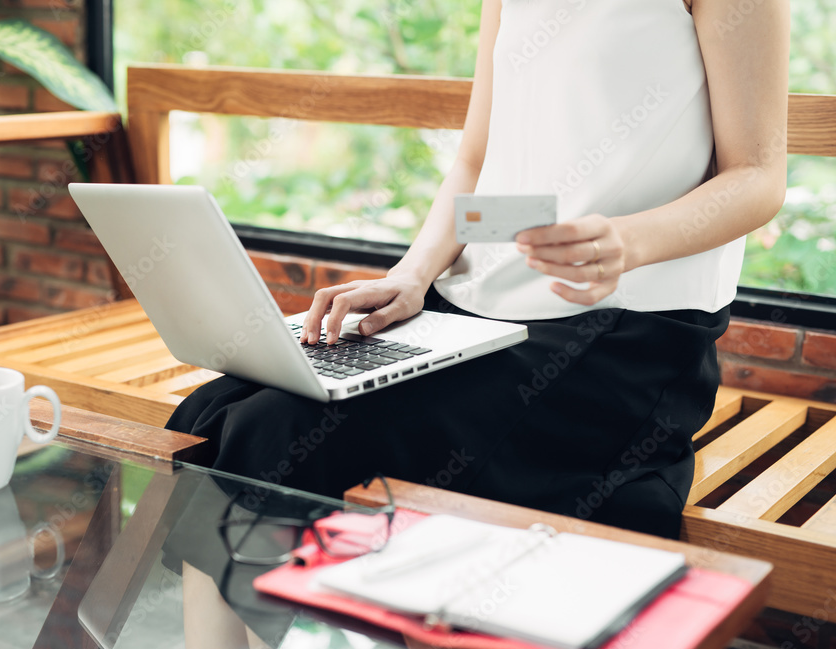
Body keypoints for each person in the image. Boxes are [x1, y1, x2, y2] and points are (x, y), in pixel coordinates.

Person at [167, 0, 790, 541]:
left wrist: (627, 241)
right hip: (476, 308)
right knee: (219, 409)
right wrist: (411, 276)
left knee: (278, 431)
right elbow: (477, 160)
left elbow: (758, 177)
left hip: (625, 330)